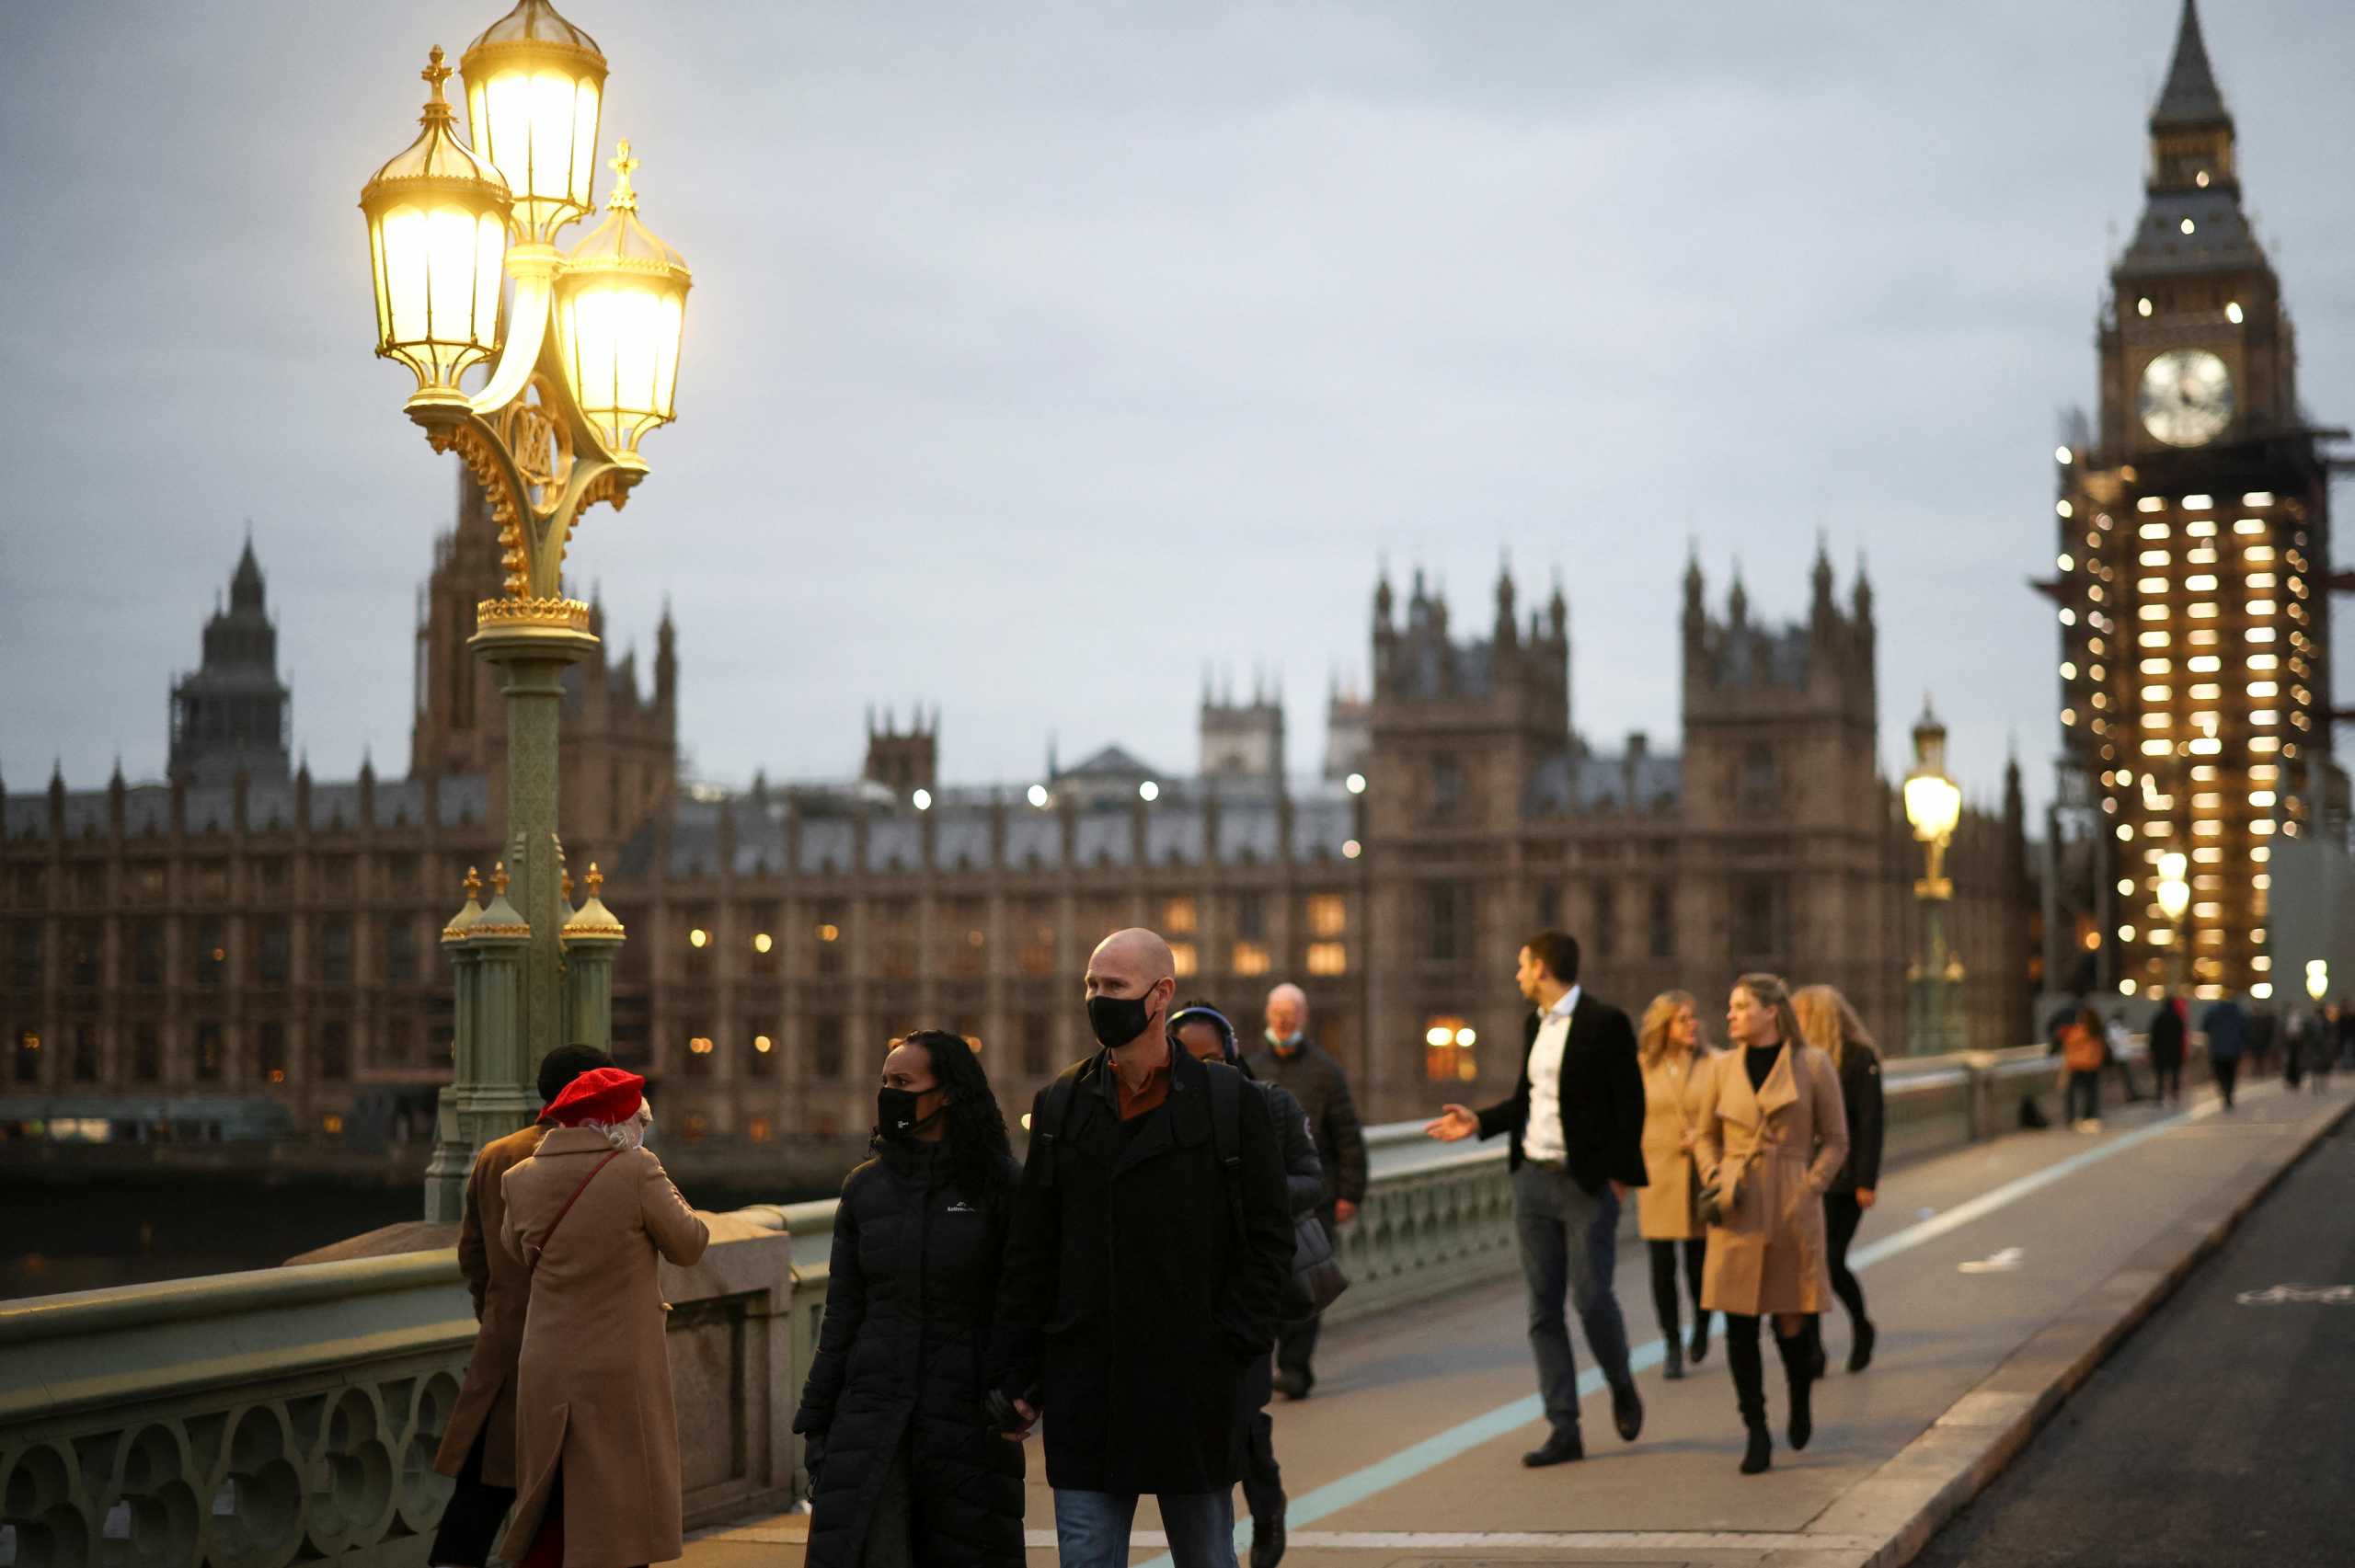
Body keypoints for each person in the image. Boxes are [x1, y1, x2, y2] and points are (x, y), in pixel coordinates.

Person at [993, 929, 1294, 1568]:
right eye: (1092, 986)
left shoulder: (1228, 1103)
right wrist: (1015, 1370)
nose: (1099, 999)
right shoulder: (1062, 1103)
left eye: (1115, 987)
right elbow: (1031, 1247)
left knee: (1206, 1556)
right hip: (1086, 1384)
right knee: (1086, 1558)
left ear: (1162, 995)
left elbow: (1269, 1238)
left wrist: (1233, 1341)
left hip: (1191, 1380)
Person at [792, 1031, 1025, 1567]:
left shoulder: (1001, 1186)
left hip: (967, 1419)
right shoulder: (865, 1189)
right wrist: (817, 1417)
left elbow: (1023, 1302)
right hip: (871, 1412)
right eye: (885, 1082)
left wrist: (1019, 1389)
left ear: (946, 1093)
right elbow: (843, 1313)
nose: (889, 1093)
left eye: (903, 1082)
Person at [1424, 929, 1647, 1468]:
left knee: (1592, 1298)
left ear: (1543, 968)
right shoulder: (1535, 1024)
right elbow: (1529, 1101)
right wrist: (1480, 1122)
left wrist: (1615, 1176)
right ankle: (1563, 1427)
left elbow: (1631, 1107)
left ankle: (1620, 1382)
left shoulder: (1606, 1022)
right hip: (1532, 1181)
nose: (1518, 975)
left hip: (1583, 1184)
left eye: (1523, 966)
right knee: (1542, 1309)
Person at [498, 1068, 710, 1568]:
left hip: (546, 1357)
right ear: (624, 1122)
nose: (645, 1130)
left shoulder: (518, 1178)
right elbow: (689, 1243)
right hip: (619, 1362)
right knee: (622, 1498)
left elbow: (513, 1250)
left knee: (551, 1490)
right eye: (642, 1120)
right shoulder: (637, 1169)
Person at [430, 1044, 613, 1568]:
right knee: (570, 1493)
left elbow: (473, 1257)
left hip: (506, 1348)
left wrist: (498, 1315)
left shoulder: (495, 1155)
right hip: (579, 1353)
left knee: (483, 1490)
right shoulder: (607, 1160)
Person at [1173, 1001, 1324, 1568]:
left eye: (1212, 1059)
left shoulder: (1271, 1105)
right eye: (1186, 1060)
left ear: (1234, 1057)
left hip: (1252, 1285)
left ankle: (1266, 1507)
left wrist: (1250, 1196)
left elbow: (1311, 1181)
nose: (1201, 1071)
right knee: (1197, 1417)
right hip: (1183, 1290)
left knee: (1243, 1411)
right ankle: (1213, 1540)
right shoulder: (1160, 1116)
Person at [1693, 974, 1847, 1476]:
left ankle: (1799, 1402)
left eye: (1741, 1007)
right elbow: (1702, 1136)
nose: (1730, 1015)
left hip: (1789, 1199)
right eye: (1730, 1006)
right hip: (1737, 1201)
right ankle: (1755, 1430)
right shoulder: (1720, 1068)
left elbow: (1836, 1139)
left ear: (1771, 1012)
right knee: (1738, 1323)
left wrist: (1811, 1184)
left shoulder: (1813, 1064)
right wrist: (1715, 1177)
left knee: (1791, 1317)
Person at [1245, 981, 1369, 1402]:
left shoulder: (1325, 1071)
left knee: (1305, 1282)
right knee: (1264, 1282)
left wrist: (1350, 1192)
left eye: (1291, 1013)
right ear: (1267, 1017)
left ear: (1303, 1018)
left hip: (1315, 1194)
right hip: (1262, 1197)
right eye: (1277, 1013)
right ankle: (1270, 1366)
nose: (1283, 1020)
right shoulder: (1251, 1068)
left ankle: (1296, 1369)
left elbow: (1348, 1136)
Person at [1792, 985, 1884, 1373]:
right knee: (1809, 1263)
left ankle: (1862, 1326)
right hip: (1809, 1177)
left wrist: (1866, 1181)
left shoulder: (1859, 1059)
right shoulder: (1800, 1061)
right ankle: (1813, 1348)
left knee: (1830, 1259)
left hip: (1846, 1181)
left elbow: (1871, 1122)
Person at [1634, 990, 1717, 1379]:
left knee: (1699, 1265)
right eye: (1683, 1019)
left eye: (1693, 1017)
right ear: (1664, 1026)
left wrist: (1704, 1136)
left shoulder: (1715, 1063)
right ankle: (1671, 1341)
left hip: (1701, 1175)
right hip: (1658, 1176)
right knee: (1661, 1267)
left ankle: (1701, 1325)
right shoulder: (1642, 1068)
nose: (1692, 1025)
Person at [2056, 1004, 2107, 1132]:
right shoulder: (2096, 1031)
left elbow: (2068, 1048)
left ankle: (2072, 1119)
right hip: (2092, 1065)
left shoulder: (2076, 1031)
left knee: (2072, 1094)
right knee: (2091, 1094)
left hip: (2076, 1065)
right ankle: (2089, 1118)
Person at [2202, 992, 2247, 1111]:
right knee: (2231, 1073)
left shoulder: (2213, 1011)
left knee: (2220, 1073)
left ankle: (2224, 1090)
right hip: (2234, 1049)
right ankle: (2229, 1092)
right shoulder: (2238, 1012)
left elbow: (2205, 1026)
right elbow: (2245, 1029)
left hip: (2217, 1048)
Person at [2147, 990, 2188, 1107]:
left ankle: (2159, 1096)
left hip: (2161, 1051)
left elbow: (2153, 1035)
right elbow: (2181, 1035)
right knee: (2175, 1074)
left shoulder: (2158, 1017)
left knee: (2160, 1075)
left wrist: (2151, 1049)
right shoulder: (2177, 1018)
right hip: (2175, 1050)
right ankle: (2175, 1094)